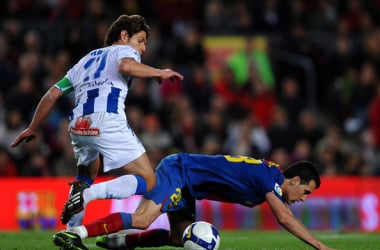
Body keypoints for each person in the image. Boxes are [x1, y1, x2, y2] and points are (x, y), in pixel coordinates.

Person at [10, 14, 184, 228]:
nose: (143, 49)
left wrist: (32, 127)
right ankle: (89, 195)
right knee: (148, 180)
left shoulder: (85, 61)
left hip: (79, 125)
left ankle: (71, 231)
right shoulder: (124, 50)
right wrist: (160, 71)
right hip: (107, 120)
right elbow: (126, 66)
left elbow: (53, 93)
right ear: (124, 35)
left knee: (85, 175)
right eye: (140, 41)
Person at [52, 153, 334, 250]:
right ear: (294, 180)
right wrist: (320, 246)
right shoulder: (270, 179)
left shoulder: (269, 176)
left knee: (178, 237)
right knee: (143, 219)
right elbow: (283, 218)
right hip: (180, 171)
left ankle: (119, 243)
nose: (303, 200)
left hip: (189, 186)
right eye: (306, 192)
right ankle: (78, 232)